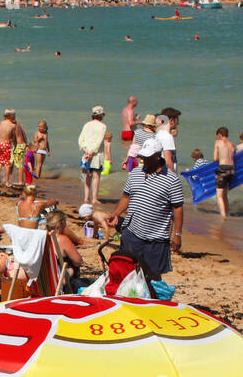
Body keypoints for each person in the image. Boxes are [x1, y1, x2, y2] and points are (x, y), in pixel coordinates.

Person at [107, 139, 184, 281]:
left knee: (152, 276)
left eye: (148, 157)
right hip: (132, 232)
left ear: (157, 156)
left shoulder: (171, 180)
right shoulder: (135, 173)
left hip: (156, 237)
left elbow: (177, 208)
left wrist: (177, 234)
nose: (144, 160)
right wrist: (115, 213)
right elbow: (126, 197)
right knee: (129, 272)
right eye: (143, 157)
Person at [77, 105, 107, 212]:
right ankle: (94, 199)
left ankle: (86, 198)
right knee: (96, 176)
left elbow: (80, 139)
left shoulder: (87, 125)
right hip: (96, 155)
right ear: (101, 115)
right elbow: (99, 142)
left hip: (86, 153)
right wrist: (91, 152)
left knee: (87, 176)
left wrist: (86, 150)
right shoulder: (103, 126)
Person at [212, 127, 235, 217]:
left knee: (219, 195)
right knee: (225, 194)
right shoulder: (232, 144)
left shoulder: (218, 142)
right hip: (232, 169)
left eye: (218, 136)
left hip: (223, 169)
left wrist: (220, 158)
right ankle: (227, 213)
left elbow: (215, 159)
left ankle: (223, 216)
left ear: (220, 135)